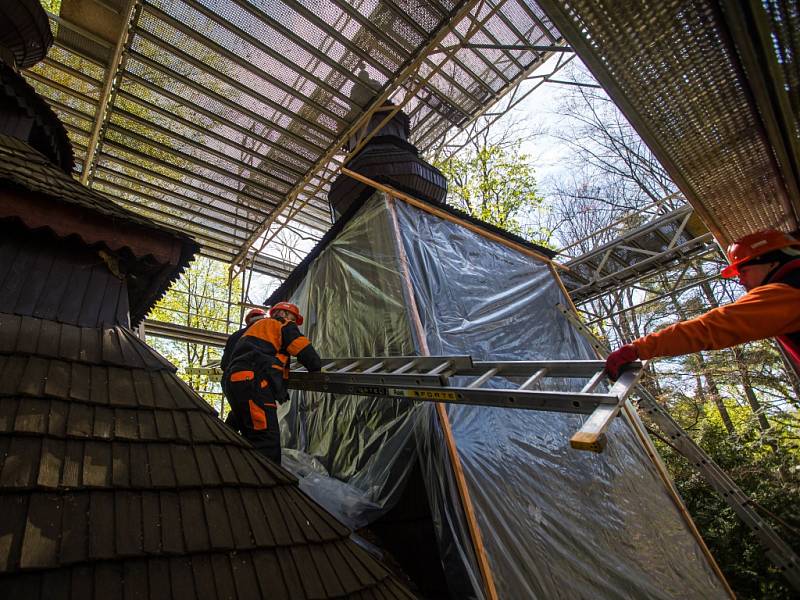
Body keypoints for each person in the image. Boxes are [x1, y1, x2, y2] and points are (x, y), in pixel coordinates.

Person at [605, 229, 800, 379]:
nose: (740, 281)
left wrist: (637, 348)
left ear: (771, 262)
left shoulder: (789, 292)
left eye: (743, 271)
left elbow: (710, 328)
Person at [224, 302, 322, 464]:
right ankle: (265, 485)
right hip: (254, 385)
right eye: (293, 318)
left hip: (234, 383)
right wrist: (315, 366)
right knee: (266, 440)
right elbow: (301, 347)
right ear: (284, 314)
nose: (293, 322)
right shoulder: (282, 324)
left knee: (246, 434)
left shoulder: (254, 329)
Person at [221, 308, 267, 432]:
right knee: (253, 417)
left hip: (228, 379)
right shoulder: (265, 332)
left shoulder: (235, 335)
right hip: (250, 378)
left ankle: (224, 437)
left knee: (239, 411)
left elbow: (224, 364)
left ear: (248, 320)